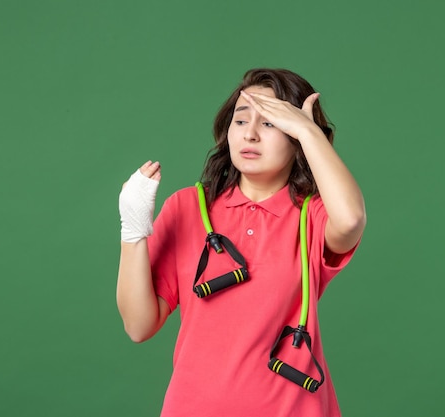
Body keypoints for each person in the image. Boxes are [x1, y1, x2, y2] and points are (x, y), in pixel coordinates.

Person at [117, 68, 366, 416]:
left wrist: (310, 134)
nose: (250, 134)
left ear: (296, 137)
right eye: (240, 120)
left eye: (269, 123)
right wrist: (132, 230)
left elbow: (351, 220)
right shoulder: (188, 207)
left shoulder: (311, 217)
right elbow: (138, 325)